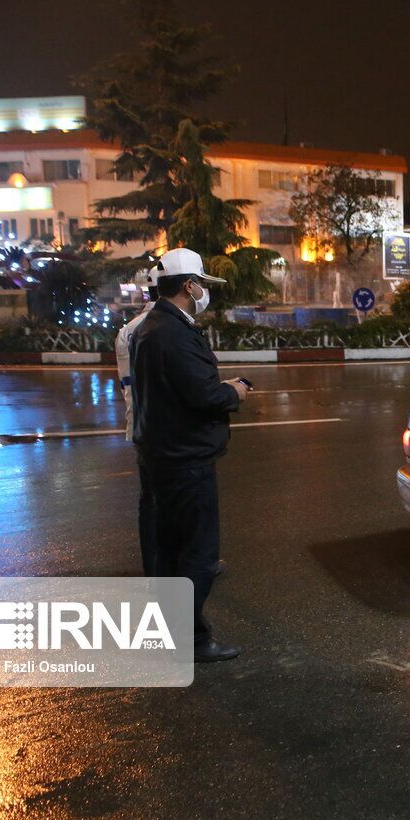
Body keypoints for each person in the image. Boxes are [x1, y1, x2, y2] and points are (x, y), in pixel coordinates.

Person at [131, 248, 249, 663]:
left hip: (162, 454)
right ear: (189, 285)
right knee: (197, 555)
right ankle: (186, 639)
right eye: (200, 284)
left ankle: (180, 633)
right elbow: (202, 395)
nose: (203, 292)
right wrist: (233, 391)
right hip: (184, 461)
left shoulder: (151, 325)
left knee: (171, 552)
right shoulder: (173, 332)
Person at [115, 271, 158, 575]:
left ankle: (154, 567)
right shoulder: (161, 328)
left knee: (151, 501)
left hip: (142, 427)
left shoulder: (127, 331)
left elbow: (128, 388)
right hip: (166, 432)